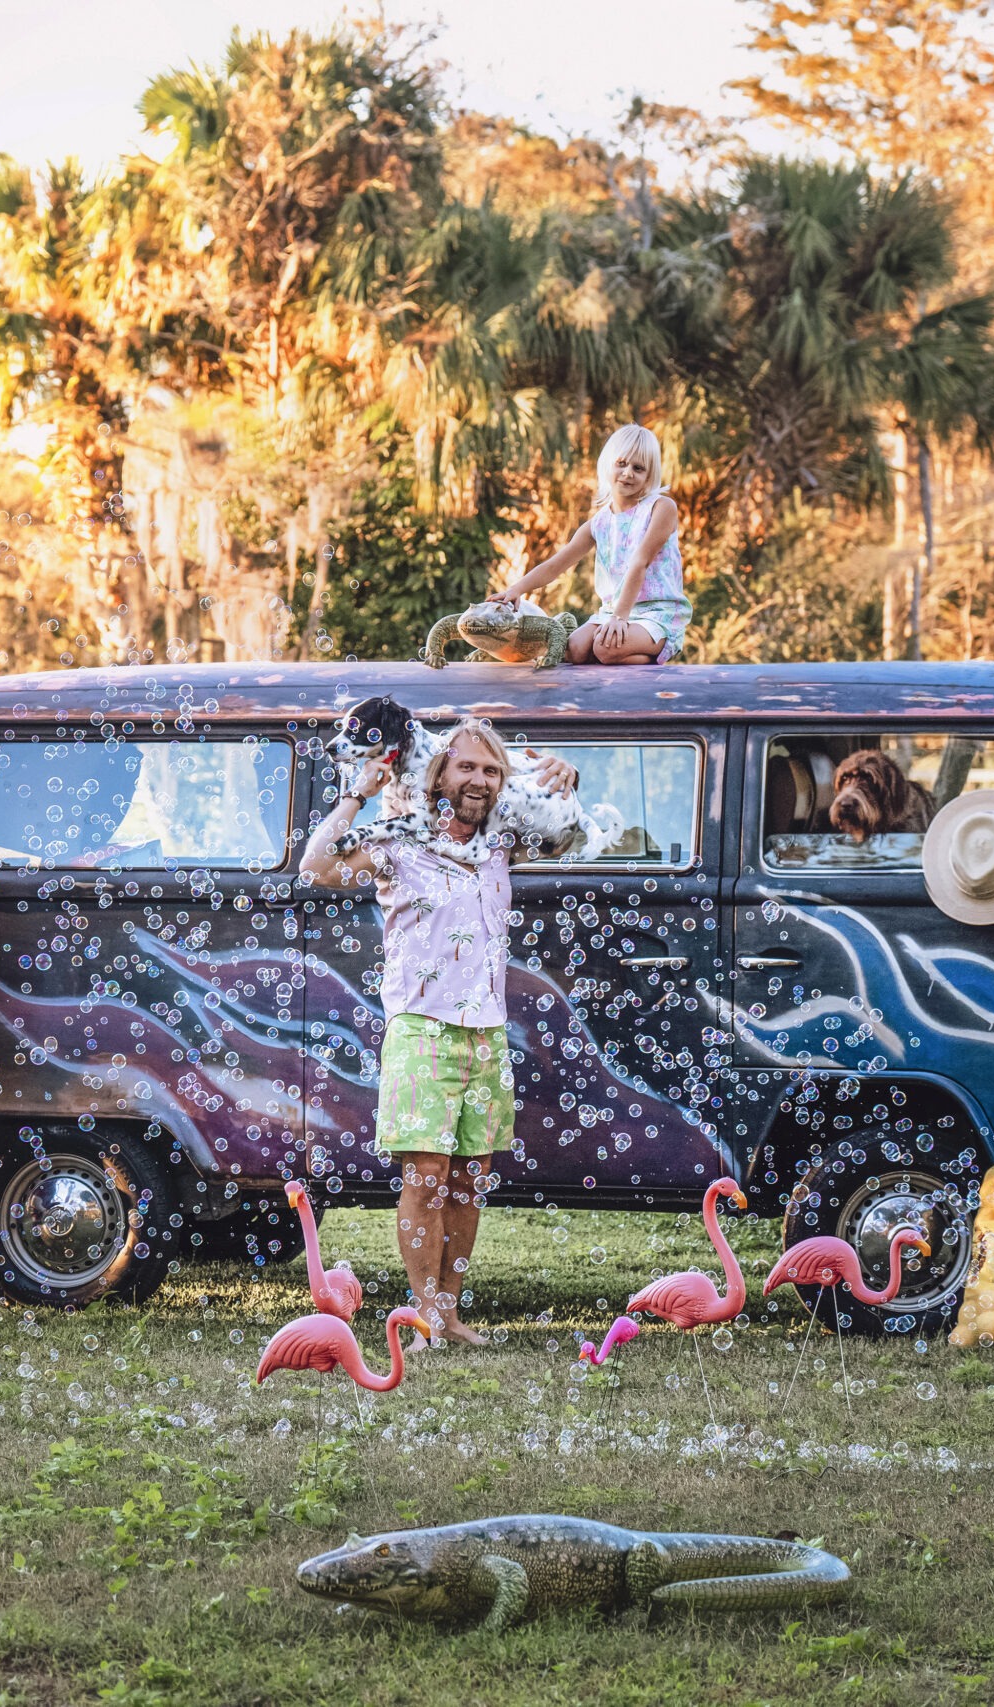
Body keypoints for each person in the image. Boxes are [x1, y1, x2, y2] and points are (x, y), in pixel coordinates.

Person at [297, 715, 580, 1346]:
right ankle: (425, 1318)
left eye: (491, 770)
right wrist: (355, 794)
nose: (478, 780)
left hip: (487, 1031)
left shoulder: (502, 842)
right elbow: (315, 868)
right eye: (466, 767)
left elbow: (570, 836)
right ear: (439, 773)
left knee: (468, 1182)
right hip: (423, 1030)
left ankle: (449, 1313)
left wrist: (565, 778)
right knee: (426, 1179)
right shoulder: (400, 839)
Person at [487, 423, 691, 665]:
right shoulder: (600, 523)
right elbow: (556, 565)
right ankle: (614, 655)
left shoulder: (661, 508)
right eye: (622, 464)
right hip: (613, 611)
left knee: (605, 648)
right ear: (608, 464)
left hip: (657, 613)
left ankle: (655, 654)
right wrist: (515, 590)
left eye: (638, 468)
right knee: (574, 649)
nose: (628, 473)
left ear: (649, 475)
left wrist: (620, 617)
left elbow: (640, 562)